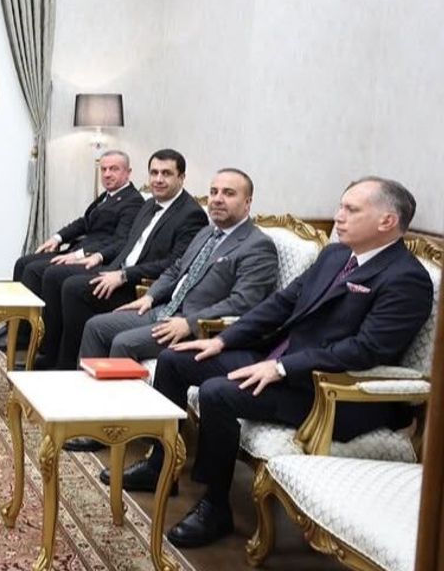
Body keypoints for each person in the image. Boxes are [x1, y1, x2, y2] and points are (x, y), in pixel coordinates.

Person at [107, 177, 432, 548]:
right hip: (278, 358)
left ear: (387, 221)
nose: (338, 216)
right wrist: (222, 339)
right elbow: (281, 303)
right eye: (341, 206)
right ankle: (159, 464)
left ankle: (215, 507)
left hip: (325, 389)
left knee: (217, 393)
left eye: (351, 209)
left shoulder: (406, 279)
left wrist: (280, 368)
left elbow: (365, 350)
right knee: (175, 359)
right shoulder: (336, 255)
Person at [65, 168, 278, 452]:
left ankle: (121, 432)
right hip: (164, 309)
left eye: (228, 193)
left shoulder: (257, 245)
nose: (217, 199)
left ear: (248, 202)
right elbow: (177, 269)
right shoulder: (207, 232)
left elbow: (242, 303)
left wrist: (190, 322)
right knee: (96, 326)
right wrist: (151, 297)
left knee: (123, 343)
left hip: (195, 327)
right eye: (214, 192)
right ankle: (92, 418)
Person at [36, 148, 206, 370]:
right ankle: (52, 354)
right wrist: (100, 259)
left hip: (139, 284)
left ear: (181, 177)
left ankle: (66, 366)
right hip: (117, 269)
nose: (158, 179)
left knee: (74, 288)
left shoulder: (191, 214)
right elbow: (127, 243)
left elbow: (174, 264)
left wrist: (123, 275)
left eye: (166, 173)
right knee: (58, 275)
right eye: (154, 173)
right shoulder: (149, 204)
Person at [0, 150, 143, 353]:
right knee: (23, 263)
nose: (107, 174)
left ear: (128, 172)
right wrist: (57, 238)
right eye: (103, 169)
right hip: (79, 249)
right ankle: (14, 328)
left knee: (37, 270)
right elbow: (84, 222)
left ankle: (30, 338)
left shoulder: (133, 201)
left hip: (97, 259)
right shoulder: (107, 196)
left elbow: (119, 241)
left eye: (114, 169)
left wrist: (79, 255)